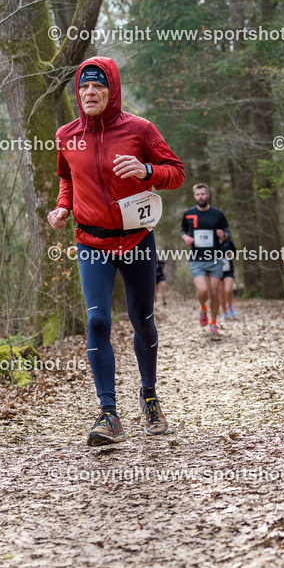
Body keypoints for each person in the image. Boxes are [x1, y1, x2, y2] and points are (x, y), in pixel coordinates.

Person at [47, 57, 185, 446]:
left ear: (112, 92)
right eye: (84, 88)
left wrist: (146, 171)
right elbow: (66, 178)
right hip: (91, 242)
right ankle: (108, 413)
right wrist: (63, 208)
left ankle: (150, 396)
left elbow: (176, 171)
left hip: (137, 239)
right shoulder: (66, 135)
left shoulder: (139, 129)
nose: (89, 94)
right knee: (97, 322)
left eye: (98, 88)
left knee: (142, 319)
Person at [179, 184, 231, 335]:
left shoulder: (217, 214)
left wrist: (224, 235)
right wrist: (186, 237)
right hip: (197, 258)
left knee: (214, 293)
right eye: (197, 194)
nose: (200, 197)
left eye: (203, 194)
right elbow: (182, 230)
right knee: (202, 290)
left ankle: (213, 323)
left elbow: (227, 232)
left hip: (215, 258)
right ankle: (203, 308)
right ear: (194, 196)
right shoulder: (188, 213)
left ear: (208, 195)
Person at [218, 236, 237, 318]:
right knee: (221, 294)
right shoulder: (212, 242)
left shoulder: (228, 242)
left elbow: (235, 252)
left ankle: (230, 306)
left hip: (228, 270)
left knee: (228, 290)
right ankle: (224, 311)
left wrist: (232, 255)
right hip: (217, 271)